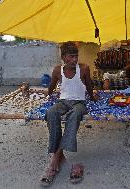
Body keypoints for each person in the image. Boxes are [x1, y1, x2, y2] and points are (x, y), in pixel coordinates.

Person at [41, 41, 98, 186]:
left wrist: (92, 97)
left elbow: (89, 86)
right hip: (63, 102)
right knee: (51, 113)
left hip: (79, 103)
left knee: (74, 115)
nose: (75, 59)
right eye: (71, 57)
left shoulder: (84, 68)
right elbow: (51, 87)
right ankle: (59, 156)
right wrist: (46, 97)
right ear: (64, 57)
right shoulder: (57, 70)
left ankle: (55, 158)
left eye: (76, 56)